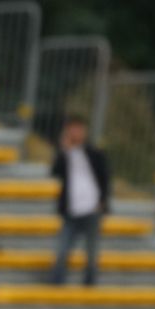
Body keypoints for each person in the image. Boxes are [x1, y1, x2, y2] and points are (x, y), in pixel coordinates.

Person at [48, 114, 110, 286]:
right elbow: (54, 172)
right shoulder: (65, 154)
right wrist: (64, 151)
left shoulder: (95, 153)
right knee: (62, 249)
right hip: (71, 209)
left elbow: (104, 178)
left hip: (91, 208)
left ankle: (90, 283)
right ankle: (56, 282)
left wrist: (103, 202)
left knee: (91, 251)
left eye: (78, 129)